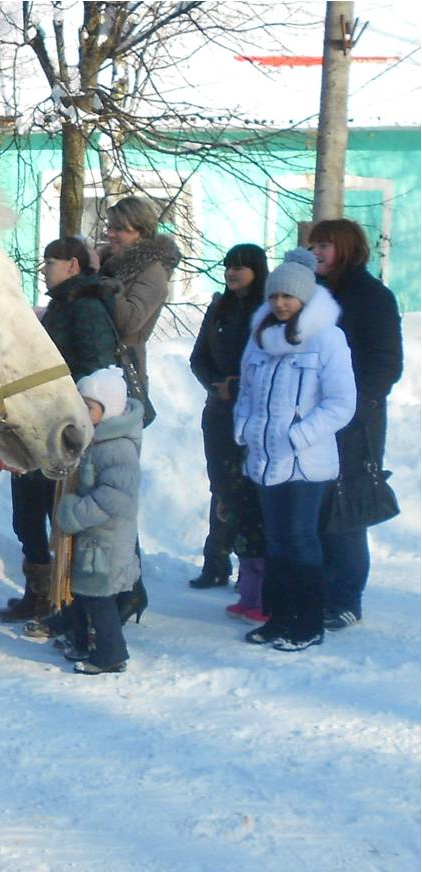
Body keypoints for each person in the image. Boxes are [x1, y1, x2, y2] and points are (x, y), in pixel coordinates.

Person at [232, 250, 356, 652]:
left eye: (289, 296)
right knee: (276, 542)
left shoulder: (327, 338)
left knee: (301, 540)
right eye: (274, 296)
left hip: (305, 462)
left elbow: (341, 403)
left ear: (305, 297)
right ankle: (279, 617)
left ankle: (306, 623)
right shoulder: (260, 339)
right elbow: (247, 394)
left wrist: (299, 436)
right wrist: (246, 429)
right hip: (265, 459)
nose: (281, 303)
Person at [0, 237, 119, 626]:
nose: (44, 268)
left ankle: (66, 603)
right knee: (27, 514)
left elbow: (96, 369)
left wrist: (70, 409)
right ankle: (38, 593)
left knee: (58, 516)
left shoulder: (87, 307)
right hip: (36, 423)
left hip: (63, 430)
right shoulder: (58, 308)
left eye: (51, 261)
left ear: (74, 266)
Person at [307, 219, 404, 631]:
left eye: (324, 246)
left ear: (346, 249)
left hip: (355, 421)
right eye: (312, 247)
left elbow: (387, 364)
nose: (316, 254)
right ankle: (314, 590)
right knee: (312, 505)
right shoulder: (310, 293)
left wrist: (351, 403)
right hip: (310, 416)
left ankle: (347, 597)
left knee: (346, 506)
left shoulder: (372, 297)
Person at [98, 197, 181, 624]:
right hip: (99, 374)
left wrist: (97, 282)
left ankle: (129, 587)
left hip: (124, 380)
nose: (112, 234)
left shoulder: (150, 272)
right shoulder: (112, 265)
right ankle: (110, 587)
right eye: (111, 226)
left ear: (142, 233)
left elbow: (129, 322)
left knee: (114, 490)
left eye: (121, 229)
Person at [188, 244, 269, 610]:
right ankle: (216, 562)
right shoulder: (219, 306)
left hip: (254, 410)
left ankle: (251, 571)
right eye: (228, 266)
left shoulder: (267, 310)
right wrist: (216, 386)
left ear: (257, 270)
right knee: (221, 486)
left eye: (241, 267)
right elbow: (198, 357)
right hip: (219, 411)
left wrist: (236, 386)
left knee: (249, 489)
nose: (232, 272)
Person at [51, 367, 143, 675]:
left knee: (98, 600)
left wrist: (74, 513)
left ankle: (111, 653)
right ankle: (80, 641)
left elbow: (114, 497)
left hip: (107, 541)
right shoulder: (94, 438)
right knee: (83, 593)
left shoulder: (117, 447)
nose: (80, 411)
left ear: (109, 410)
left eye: (88, 406)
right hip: (93, 540)